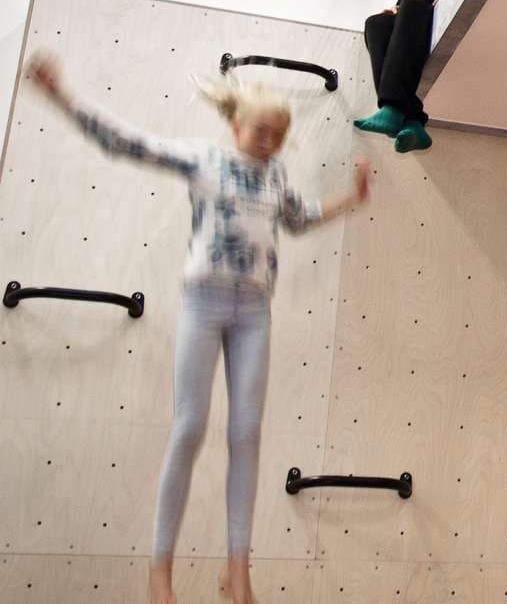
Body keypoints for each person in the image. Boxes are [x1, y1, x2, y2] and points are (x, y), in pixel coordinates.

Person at [24, 52, 372, 604]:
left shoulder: (276, 177)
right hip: (204, 304)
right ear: (236, 126)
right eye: (260, 131)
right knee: (189, 427)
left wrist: (352, 198)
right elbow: (125, 142)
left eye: (278, 135)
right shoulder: (204, 161)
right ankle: (159, 568)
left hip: (254, 311)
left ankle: (237, 567)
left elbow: (300, 217)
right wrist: (62, 95)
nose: (268, 142)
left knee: (246, 435)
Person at [355, 0, 450, 153]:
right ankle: (411, 121)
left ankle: (395, 108)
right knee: (376, 23)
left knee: (414, 0)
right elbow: (403, 3)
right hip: (418, 18)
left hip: (434, 10)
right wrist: (393, 10)